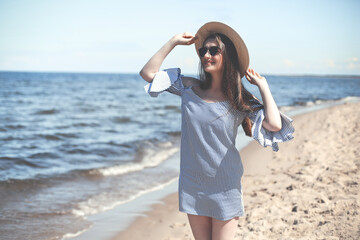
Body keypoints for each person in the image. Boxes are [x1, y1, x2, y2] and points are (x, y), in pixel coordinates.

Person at [140, 22, 294, 240]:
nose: (206, 55)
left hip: (225, 185)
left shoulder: (239, 100)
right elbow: (148, 73)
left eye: (214, 50)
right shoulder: (188, 88)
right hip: (193, 183)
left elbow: (275, 125)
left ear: (227, 56)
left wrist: (264, 87)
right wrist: (173, 41)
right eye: (203, 50)